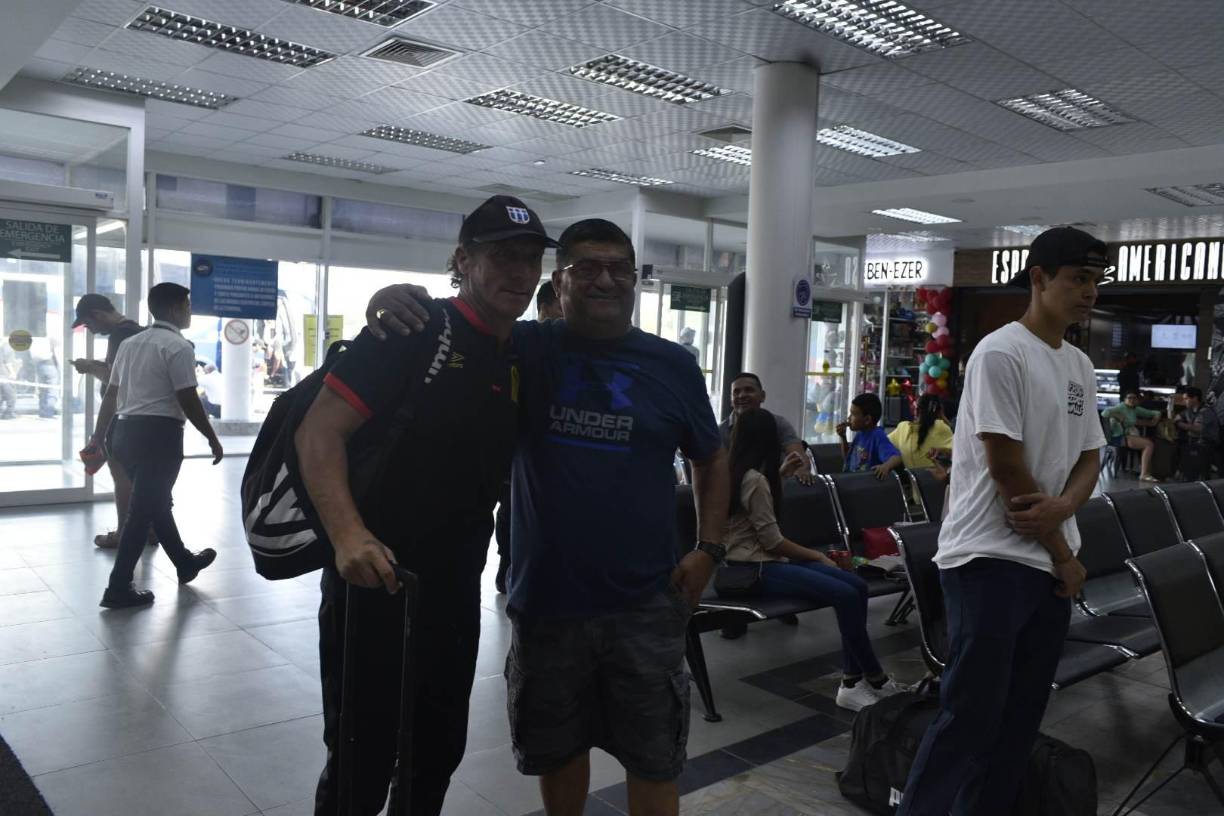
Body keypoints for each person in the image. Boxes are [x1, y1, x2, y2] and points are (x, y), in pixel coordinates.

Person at [366, 218, 729, 816]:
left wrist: (709, 548)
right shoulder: (525, 348)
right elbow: (459, 319)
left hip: (646, 602)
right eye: (586, 268)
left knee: (655, 757)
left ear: (636, 280)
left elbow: (711, 457)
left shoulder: (672, 365)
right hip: (548, 604)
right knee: (557, 752)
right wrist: (390, 300)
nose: (604, 280)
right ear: (558, 282)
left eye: (619, 268)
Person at [298, 195, 552, 816]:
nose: (518, 272)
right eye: (501, 255)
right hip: (374, 582)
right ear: (463, 259)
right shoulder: (411, 332)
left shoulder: (525, 350)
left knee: (436, 749)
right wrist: (348, 535)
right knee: (362, 753)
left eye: (529, 259)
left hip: (456, 584)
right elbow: (318, 433)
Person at [898, 226, 1107, 816]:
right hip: (988, 559)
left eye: (1096, 281)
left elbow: (1092, 454)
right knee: (971, 714)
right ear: (1039, 279)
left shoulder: (1080, 365)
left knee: (1019, 721)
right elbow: (1006, 468)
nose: (1089, 291)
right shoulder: (1001, 351)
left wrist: (1065, 512)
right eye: (1078, 278)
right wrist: (1065, 553)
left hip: (1046, 563)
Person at [724, 408, 906, 711]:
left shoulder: (740, 473)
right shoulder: (753, 479)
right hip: (755, 569)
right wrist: (818, 557)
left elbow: (755, 511)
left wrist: (781, 475)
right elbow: (772, 540)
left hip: (765, 563)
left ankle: (851, 681)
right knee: (848, 592)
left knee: (855, 587)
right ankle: (874, 677)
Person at [94, 283, 222, 609]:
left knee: (154, 502)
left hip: (124, 433)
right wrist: (210, 434)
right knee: (141, 512)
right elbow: (187, 397)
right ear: (176, 308)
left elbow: (111, 394)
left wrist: (99, 435)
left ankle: (184, 562)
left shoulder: (130, 344)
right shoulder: (178, 347)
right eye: (188, 306)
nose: (190, 311)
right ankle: (117, 587)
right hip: (159, 436)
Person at [494, 283, 561, 593]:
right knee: (510, 511)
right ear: (546, 306)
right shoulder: (523, 340)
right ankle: (507, 564)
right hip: (514, 455)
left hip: (548, 459)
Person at [72, 293, 147, 549]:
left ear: (97, 315)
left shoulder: (120, 334)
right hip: (140, 415)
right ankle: (148, 530)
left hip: (121, 415)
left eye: (89, 325)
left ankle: (124, 532)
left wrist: (87, 367)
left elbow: (115, 379)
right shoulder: (138, 330)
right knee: (142, 478)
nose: (91, 331)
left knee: (121, 476)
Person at [837, 393, 902, 479]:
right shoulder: (860, 434)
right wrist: (843, 437)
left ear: (867, 419)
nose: (849, 418)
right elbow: (847, 458)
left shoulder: (877, 436)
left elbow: (897, 457)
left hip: (864, 487)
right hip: (852, 481)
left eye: (853, 414)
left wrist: (885, 466)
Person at [1101, 391, 1161, 481]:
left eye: (1134, 398)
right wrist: (1116, 415)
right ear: (1125, 400)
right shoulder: (1121, 407)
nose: (1132, 400)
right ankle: (1144, 474)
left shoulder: (1135, 409)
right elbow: (1104, 413)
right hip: (1119, 437)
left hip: (1128, 436)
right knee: (1149, 444)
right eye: (1129, 398)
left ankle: (1146, 471)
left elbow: (1153, 413)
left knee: (1149, 442)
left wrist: (1155, 419)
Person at [888, 393, 953, 472]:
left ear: (916, 410)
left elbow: (884, 443)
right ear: (939, 411)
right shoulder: (941, 427)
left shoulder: (903, 427)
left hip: (910, 481)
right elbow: (959, 451)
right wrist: (943, 417)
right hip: (935, 481)